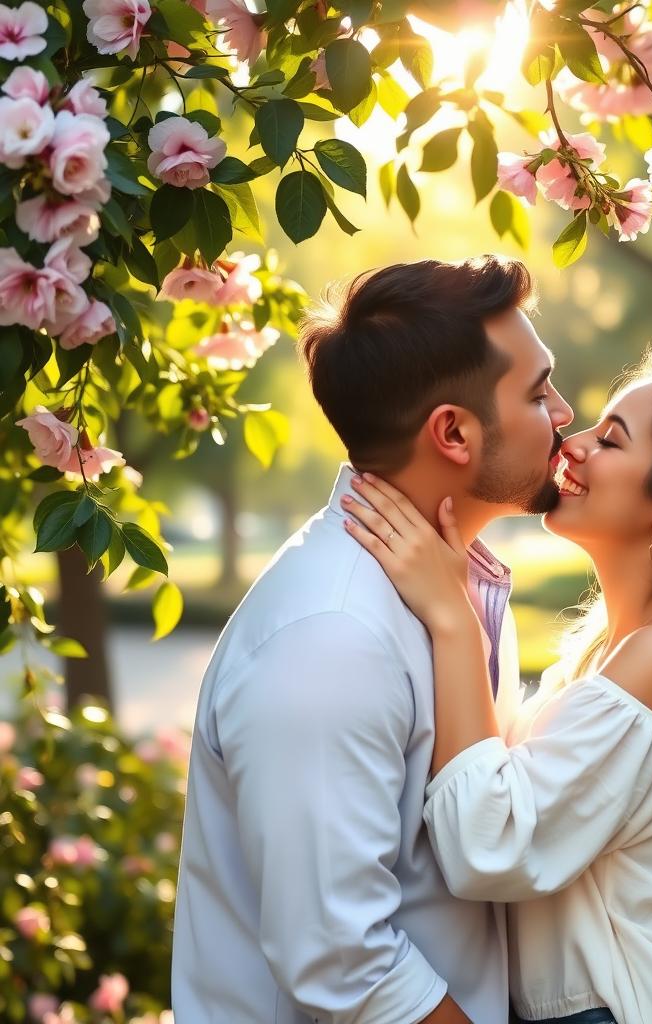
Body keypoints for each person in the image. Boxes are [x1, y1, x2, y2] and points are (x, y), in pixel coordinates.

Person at [344, 347, 652, 1024]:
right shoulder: (611, 651)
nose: (570, 445)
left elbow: (490, 846)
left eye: (610, 439)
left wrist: (453, 621)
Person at [171, 256, 573, 1023]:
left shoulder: (455, 587)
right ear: (452, 432)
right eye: (537, 390)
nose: (564, 409)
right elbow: (343, 964)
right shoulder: (331, 639)